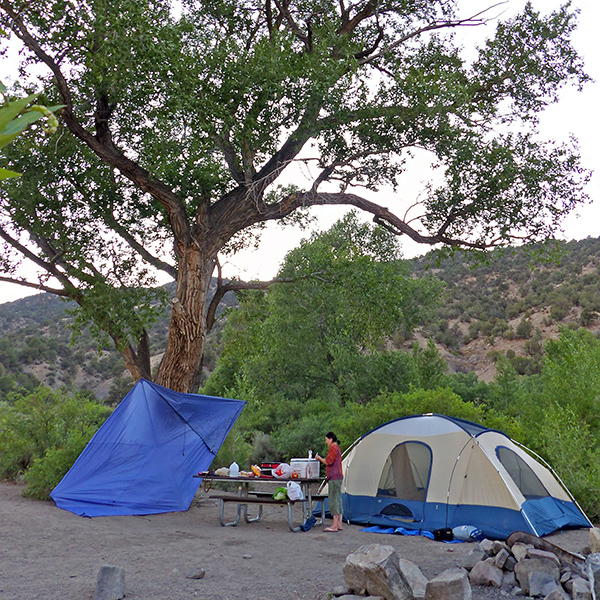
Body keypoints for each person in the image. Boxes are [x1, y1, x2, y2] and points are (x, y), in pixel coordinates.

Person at [315, 431, 343, 532]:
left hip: (334, 477)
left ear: (331, 439)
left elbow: (328, 462)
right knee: (338, 499)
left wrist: (319, 458)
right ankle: (339, 523)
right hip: (339, 476)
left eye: (326, 440)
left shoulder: (333, 448)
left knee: (333, 500)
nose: (326, 442)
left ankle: (334, 525)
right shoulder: (337, 448)